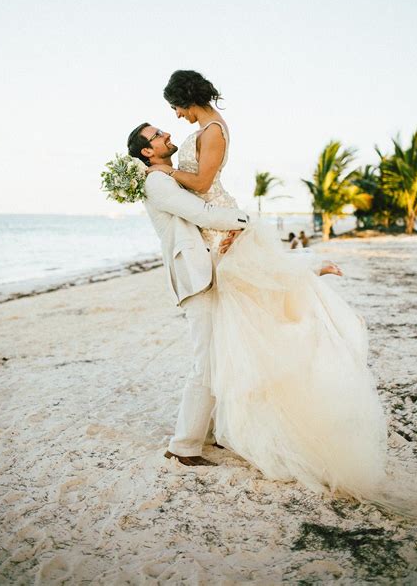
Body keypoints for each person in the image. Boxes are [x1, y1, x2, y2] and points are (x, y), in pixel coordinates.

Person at [139, 69, 390, 504]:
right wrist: (156, 172)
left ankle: (310, 270)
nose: (175, 117)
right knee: (241, 317)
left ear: (186, 98)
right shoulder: (202, 131)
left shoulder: (210, 131)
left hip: (221, 230)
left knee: (251, 305)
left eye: (174, 108)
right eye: (166, 120)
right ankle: (310, 269)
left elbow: (200, 186)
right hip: (212, 238)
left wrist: (160, 170)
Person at [127, 123, 251, 467]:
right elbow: (201, 213)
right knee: (205, 360)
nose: (167, 134)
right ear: (147, 152)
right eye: (157, 136)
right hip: (193, 276)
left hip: (205, 270)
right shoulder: (157, 181)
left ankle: (209, 433)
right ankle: (183, 446)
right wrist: (246, 219)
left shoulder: (166, 177)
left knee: (215, 354)